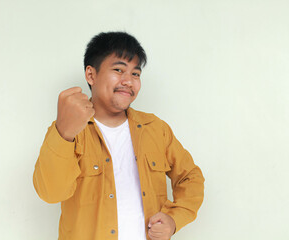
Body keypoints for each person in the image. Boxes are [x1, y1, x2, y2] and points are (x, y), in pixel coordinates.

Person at [33, 31, 205, 240]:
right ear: (91, 75)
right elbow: (51, 193)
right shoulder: (67, 132)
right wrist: (64, 134)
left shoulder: (155, 129)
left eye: (135, 74)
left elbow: (191, 177)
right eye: (118, 70)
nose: (129, 81)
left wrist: (174, 219)